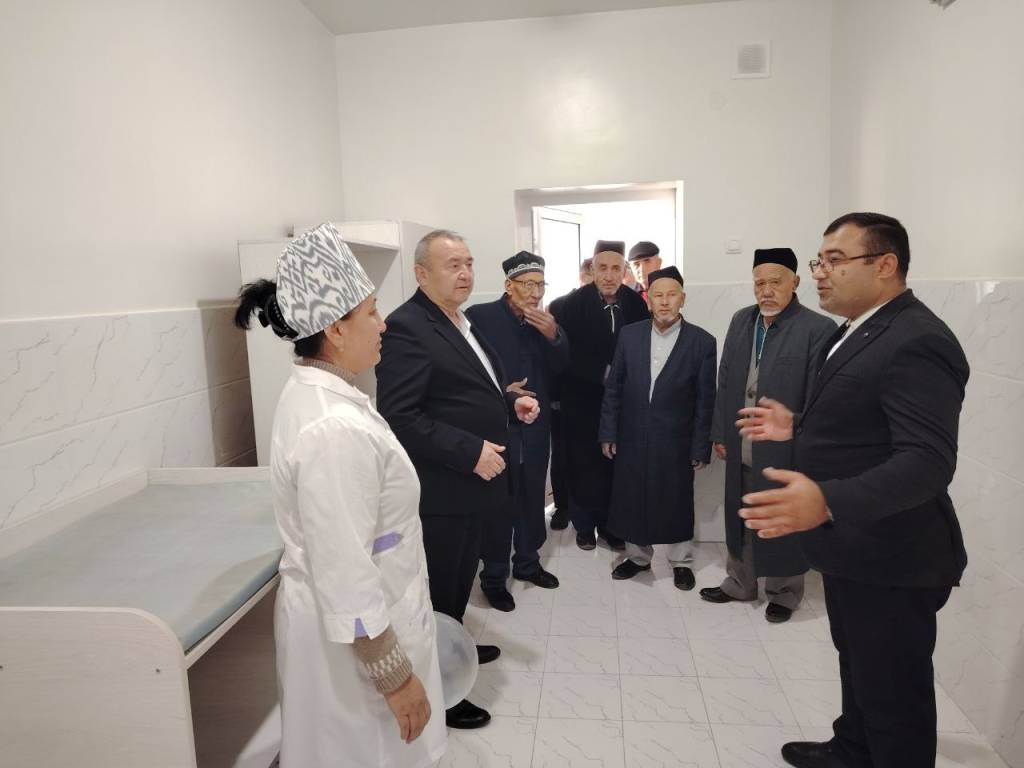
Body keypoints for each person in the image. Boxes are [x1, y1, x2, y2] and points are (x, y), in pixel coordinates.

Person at [736, 213, 969, 768]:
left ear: (885, 265)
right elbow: (865, 424)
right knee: (858, 663)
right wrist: (796, 427)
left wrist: (826, 500)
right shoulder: (859, 327)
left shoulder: (917, 339)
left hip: (893, 556)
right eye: (820, 261)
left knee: (894, 696)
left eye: (836, 260)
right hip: (854, 548)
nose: (820, 272)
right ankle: (853, 749)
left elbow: (927, 462)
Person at [234, 223, 445, 768]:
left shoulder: (321, 395)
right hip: (355, 646)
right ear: (335, 329)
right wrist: (395, 677)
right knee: (362, 752)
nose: (383, 324)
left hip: (358, 620)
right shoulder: (333, 428)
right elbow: (345, 567)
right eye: (372, 312)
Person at [375, 229, 539, 731]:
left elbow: (471, 389)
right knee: (440, 587)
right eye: (452, 265)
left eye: (468, 263)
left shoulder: (460, 320)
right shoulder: (407, 327)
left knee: (460, 579)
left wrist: (511, 403)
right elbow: (399, 416)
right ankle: (440, 692)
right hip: (443, 489)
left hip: (473, 488)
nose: (465, 273)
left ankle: (454, 644)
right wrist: (469, 452)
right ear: (421, 273)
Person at [699, 248, 836, 623]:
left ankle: (784, 592)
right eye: (759, 283)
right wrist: (720, 431)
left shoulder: (817, 329)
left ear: (795, 282)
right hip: (740, 438)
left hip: (785, 447)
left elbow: (820, 397)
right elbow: (726, 377)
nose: (767, 290)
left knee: (781, 518)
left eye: (776, 282)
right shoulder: (742, 320)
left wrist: (805, 442)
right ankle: (739, 583)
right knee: (741, 512)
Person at [599, 266, 716, 589]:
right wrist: (608, 431)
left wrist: (700, 445)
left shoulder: (702, 342)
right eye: (658, 295)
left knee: (676, 499)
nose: (664, 302)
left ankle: (681, 562)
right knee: (632, 496)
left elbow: (706, 399)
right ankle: (638, 558)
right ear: (648, 300)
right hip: (631, 434)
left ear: (683, 299)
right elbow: (614, 388)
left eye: (671, 295)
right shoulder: (630, 335)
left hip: (676, 439)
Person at [468, 252, 568, 611]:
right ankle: (494, 577)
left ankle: (528, 562)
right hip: (497, 425)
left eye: (541, 284)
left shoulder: (545, 321)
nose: (536, 293)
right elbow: (466, 369)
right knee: (498, 501)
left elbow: (562, 369)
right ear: (509, 285)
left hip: (536, 425)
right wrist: (502, 390)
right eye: (528, 284)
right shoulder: (480, 317)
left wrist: (553, 335)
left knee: (531, 493)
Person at [551, 240, 648, 550]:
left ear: (624, 271)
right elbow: (564, 354)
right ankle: (584, 525)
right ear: (592, 271)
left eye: (615, 268)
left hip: (621, 402)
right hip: (581, 399)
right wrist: (602, 373)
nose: (608, 275)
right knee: (582, 462)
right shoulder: (569, 305)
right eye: (602, 268)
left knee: (614, 464)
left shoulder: (635, 304)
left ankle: (610, 525)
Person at [548, 256, 595, 532]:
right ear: (582, 277)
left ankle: (590, 509)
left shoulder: (612, 309)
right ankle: (562, 506)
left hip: (597, 398)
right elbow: (551, 352)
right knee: (562, 454)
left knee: (593, 457)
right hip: (564, 395)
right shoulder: (559, 306)